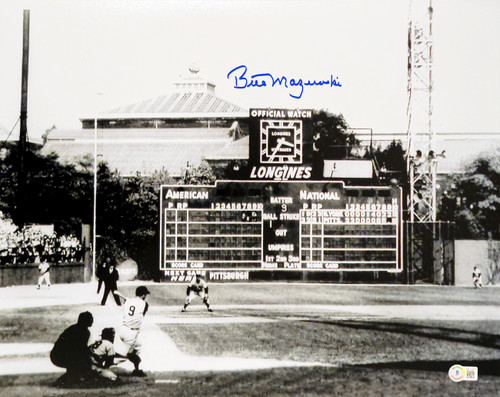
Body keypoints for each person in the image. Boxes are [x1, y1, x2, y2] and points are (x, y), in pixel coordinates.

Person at [114, 286, 150, 376]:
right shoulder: (145, 304)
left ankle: (136, 369)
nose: (145, 296)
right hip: (131, 334)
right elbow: (142, 313)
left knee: (138, 346)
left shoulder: (128, 301)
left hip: (124, 329)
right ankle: (109, 361)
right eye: (145, 294)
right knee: (129, 355)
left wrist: (128, 301)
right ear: (143, 295)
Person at [50, 311, 94, 385]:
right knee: (81, 362)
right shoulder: (84, 332)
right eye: (90, 319)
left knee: (79, 361)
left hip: (57, 355)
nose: (92, 321)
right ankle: (68, 380)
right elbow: (81, 349)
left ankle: (68, 378)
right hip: (61, 356)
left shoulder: (74, 328)